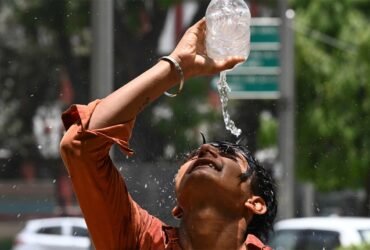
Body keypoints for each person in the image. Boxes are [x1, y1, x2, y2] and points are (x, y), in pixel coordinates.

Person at [60, 18, 277, 250]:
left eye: (227, 153)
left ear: (255, 203)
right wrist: (174, 68)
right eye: (191, 157)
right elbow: (80, 146)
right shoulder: (141, 240)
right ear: (178, 205)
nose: (205, 150)